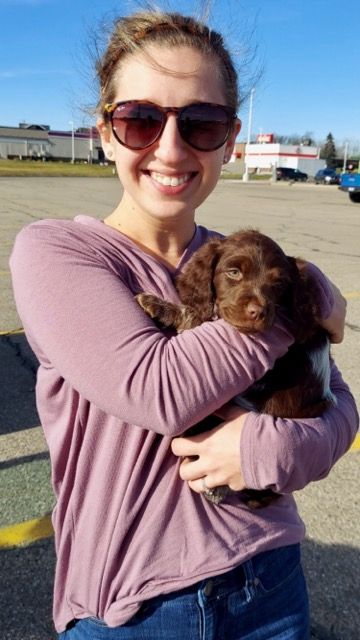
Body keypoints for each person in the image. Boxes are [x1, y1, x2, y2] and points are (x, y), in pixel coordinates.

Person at [10, 8, 358, 640]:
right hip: (137, 607)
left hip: (272, 579)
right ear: (105, 133)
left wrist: (271, 448)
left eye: (201, 124)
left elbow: (341, 410)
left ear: (230, 139)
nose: (169, 149)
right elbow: (158, 390)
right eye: (140, 120)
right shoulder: (59, 252)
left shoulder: (241, 258)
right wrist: (295, 305)